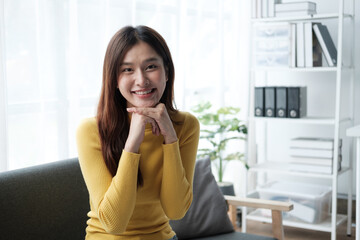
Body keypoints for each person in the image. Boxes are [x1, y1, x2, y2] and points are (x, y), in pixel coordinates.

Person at [76, 25, 200, 240]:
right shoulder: (90, 131)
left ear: (167, 71)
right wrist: (133, 143)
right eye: (127, 70)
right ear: (114, 79)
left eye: (151, 66)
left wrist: (170, 139)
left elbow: (176, 211)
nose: (141, 80)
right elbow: (113, 223)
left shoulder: (185, 126)